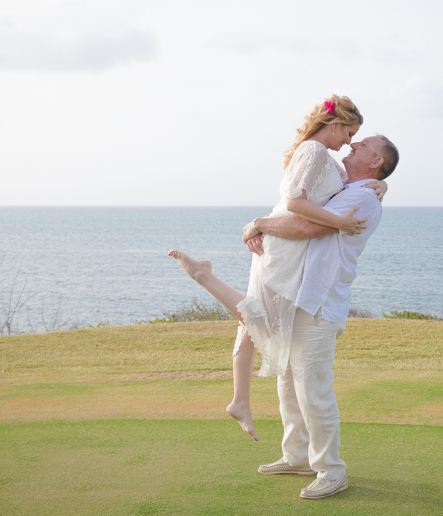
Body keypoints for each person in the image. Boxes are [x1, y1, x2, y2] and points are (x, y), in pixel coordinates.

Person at [171, 133, 399, 499]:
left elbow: (307, 226)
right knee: (289, 382)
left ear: (375, 161)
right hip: (300, 298)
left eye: (363, 145)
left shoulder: (363, 197)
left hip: (320, 302)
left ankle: (331, 470)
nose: (352, 145)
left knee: (313, 389)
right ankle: (296, 456)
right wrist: (383, 181)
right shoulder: (349, 187)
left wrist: (259, 224)